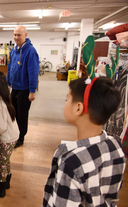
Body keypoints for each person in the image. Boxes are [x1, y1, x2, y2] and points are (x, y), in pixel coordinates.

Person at [43, 77, 126, 206]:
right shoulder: (115, 146)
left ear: (78, 108)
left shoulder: (71, 163)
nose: (65, 104)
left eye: (67, 99)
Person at [7, 25, 39, 148]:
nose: (16, 37)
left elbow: (33, 72)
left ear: (25, 35)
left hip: (24, 90)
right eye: (15, 34)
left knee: (22, 115)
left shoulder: (31, 51)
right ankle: (14, 135)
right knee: (13, 113)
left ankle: (20, 138)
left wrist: (32, 91)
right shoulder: (13, 50)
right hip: (14, 88)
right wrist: (8, 83)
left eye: (19, 35)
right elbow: (10, 67)